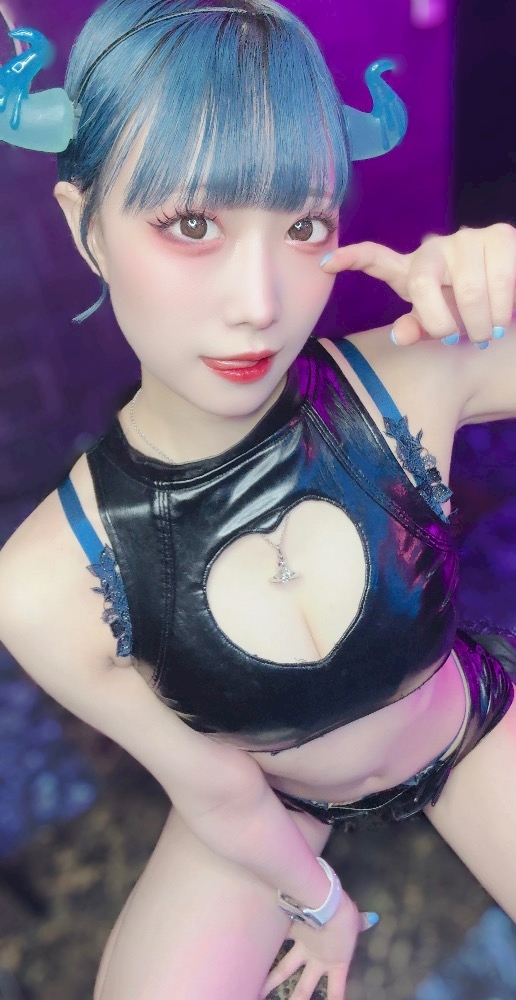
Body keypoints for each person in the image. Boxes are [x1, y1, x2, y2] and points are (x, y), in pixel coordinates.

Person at [0, 2, 516, 998]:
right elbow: (221, 791)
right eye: (192, 224)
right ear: (84, 222)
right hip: (274, 800)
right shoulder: (43, 582)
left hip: (457, 726)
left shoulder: (413, 376)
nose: (262, 303)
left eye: (305, 225)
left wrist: (507, 271)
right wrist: (319, 905)